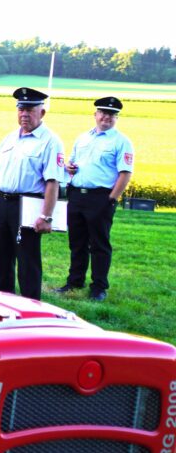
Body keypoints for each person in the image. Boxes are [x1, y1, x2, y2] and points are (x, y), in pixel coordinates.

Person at [0, 87, 65, 300]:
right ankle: (1, 302)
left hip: (28, 206)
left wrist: (46, 216)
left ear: (42, 113)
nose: (24, 114)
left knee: (27, 261)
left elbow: (53, 182)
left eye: (30, 110)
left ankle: (30, 307)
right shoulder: (10, 138)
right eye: (21, 109)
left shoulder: (50, 142)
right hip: (4, 204)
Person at [57, 96, 134, 301]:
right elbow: (71, 162)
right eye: (103, 113)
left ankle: (99, 287)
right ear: (95, 115)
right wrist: (68, 167)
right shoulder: (83, 138)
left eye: (111, 114)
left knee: (99, 244)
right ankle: (74, 281)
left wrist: (111, 199)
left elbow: (125, 173)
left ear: (116, 118)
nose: (106, 117)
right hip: (77, 195)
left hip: (101, 198)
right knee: (77, 242)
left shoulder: (121, 142)